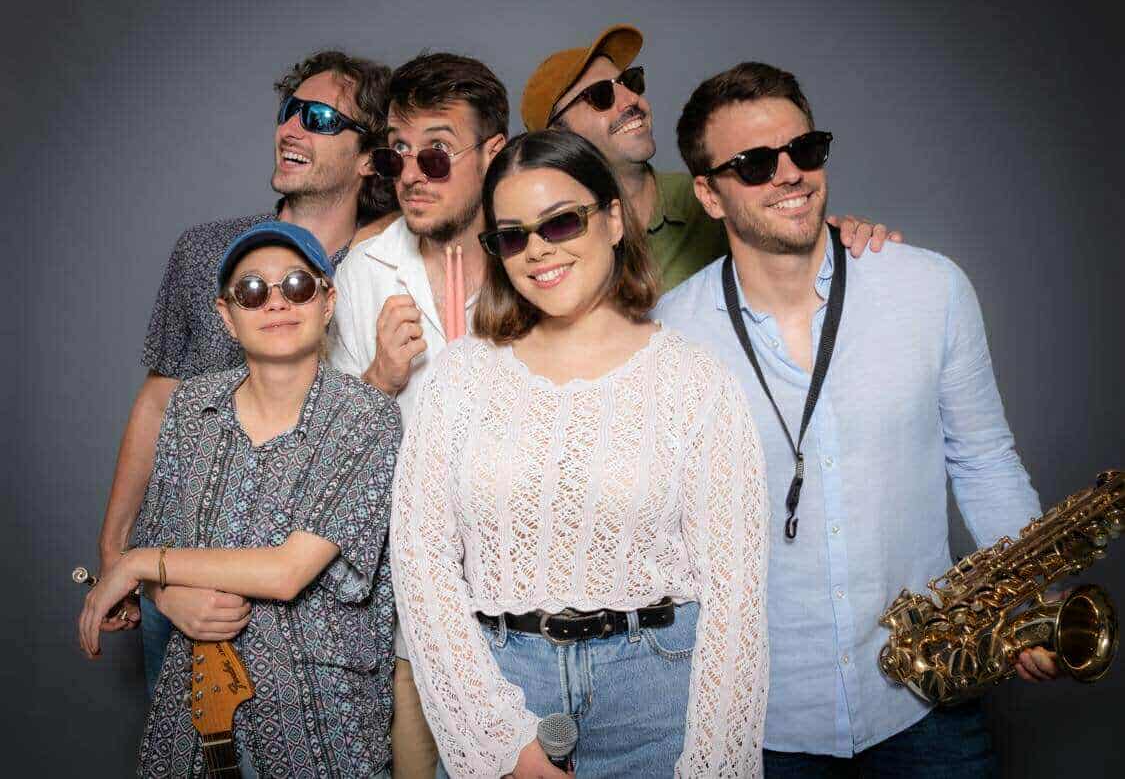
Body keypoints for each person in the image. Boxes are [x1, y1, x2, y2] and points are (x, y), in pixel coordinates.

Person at [657, 62, 1054, 777]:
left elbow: (982, 459)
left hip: (927, 699)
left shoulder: (929, 288)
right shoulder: (669, 337)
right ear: (710, 195)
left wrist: (1028, 593)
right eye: (755, 164)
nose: (789, 175)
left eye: (803, 150)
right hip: (760, 721)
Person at [391, 129, 770, 778]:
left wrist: (716, 763)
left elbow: (737, 600)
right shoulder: (459, 378)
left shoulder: (694, 382)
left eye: (561, 222)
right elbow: (420, 565)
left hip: (658, 695)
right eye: (513, 236)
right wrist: (497, 738)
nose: (538, 250)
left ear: (613, 219)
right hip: (504, 681)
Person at [93, 50, 398, 697]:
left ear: (369, 158)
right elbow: (157, 404)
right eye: (289, 111)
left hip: (310, 598)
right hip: (181, 589)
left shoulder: (385, 269)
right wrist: (121, 562)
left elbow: (359, 438)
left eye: (318, 119)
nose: (290, 128)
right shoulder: (205, 253)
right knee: (182, 743)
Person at [79, 222, 401, 777]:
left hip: (319, 726)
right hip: (193, 717)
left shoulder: (365, 418)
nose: (276, 302)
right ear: (227, 316)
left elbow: (287, 572)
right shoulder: (189, 409)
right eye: (252, 290)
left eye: (297, 285)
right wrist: (165, 596)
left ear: (327, 302)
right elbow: (162, 549)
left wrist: (134, 564)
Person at [329, 51, 509, 778]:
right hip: (416, 616)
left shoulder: (538, 265)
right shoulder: (363, 272)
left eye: (434, 153)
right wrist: (379, 380)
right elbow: (323, 457)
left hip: (530, 609)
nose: (410, 174)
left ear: (491, 153)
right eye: (396, 153)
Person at [520, 24, 902, 290]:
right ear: (557, 135)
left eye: (631, 82)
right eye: (601, 96)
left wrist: (848, 241)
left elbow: (799, 243)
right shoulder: (542, 238)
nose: (632, 100)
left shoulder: (723, 193)